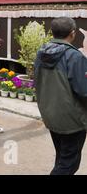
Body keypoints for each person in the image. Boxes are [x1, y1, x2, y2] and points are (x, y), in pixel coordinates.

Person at [34, 17, 87, 175]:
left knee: (62, 158)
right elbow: (84, 90)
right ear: (72, 33)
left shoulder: (41, 52)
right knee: (69, 165)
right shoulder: (74, 56)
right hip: (72, 120)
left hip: (50, 115)